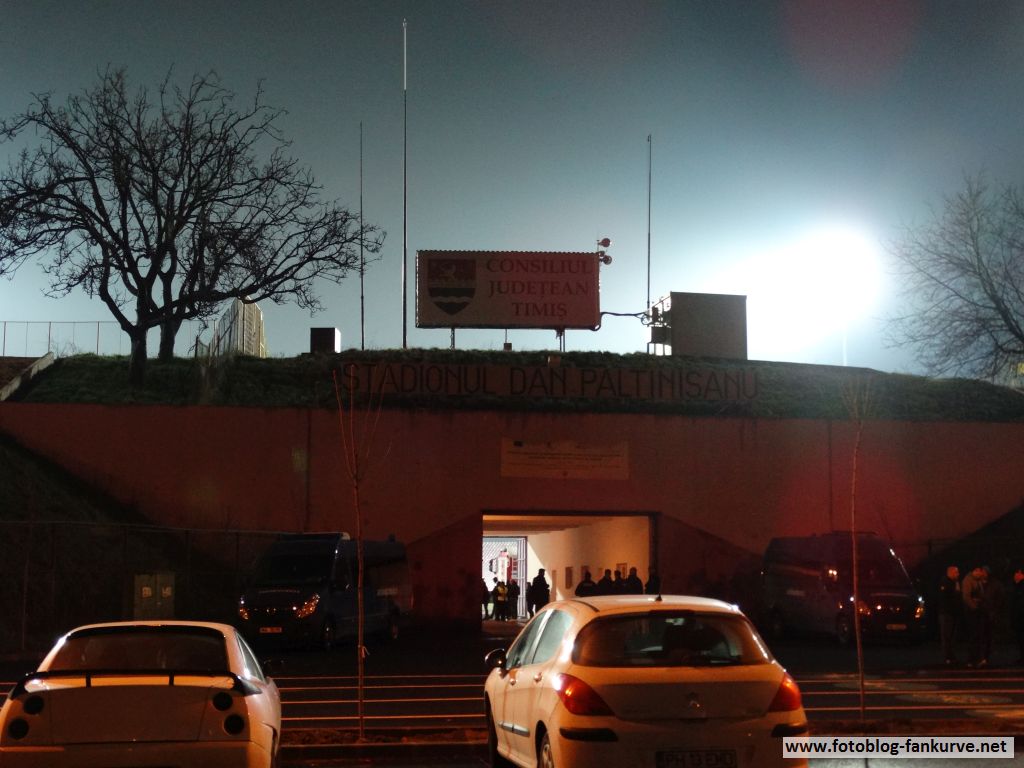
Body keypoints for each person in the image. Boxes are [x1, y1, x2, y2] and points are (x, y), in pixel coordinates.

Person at [962, 565, 989, 667]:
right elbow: (966, 597)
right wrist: (974, 607)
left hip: (978, 611)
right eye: (979, 571)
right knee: (973, 635)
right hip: (972, 611)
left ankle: (977, 658)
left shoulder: (978, 581)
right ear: (975, 571)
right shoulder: (968, 580)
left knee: (978, 635)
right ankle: (972, 659)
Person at [937, 565, 961, 665]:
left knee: (952, 636)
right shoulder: (945, 582)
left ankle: (951, 656)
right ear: (950, 573)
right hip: (946, 613)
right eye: (956, 572)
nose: (958, 574)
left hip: (953, 613)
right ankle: (947, 657)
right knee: (946, 636)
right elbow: (946, 597)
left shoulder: (955, 583)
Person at [1012, 568, 1024, 664]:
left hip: (1021, 616)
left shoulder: (1020, 586)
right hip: (1018, 616)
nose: (1016, 575)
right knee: (1020, 638)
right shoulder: (1016, 586)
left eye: (1018, 573)